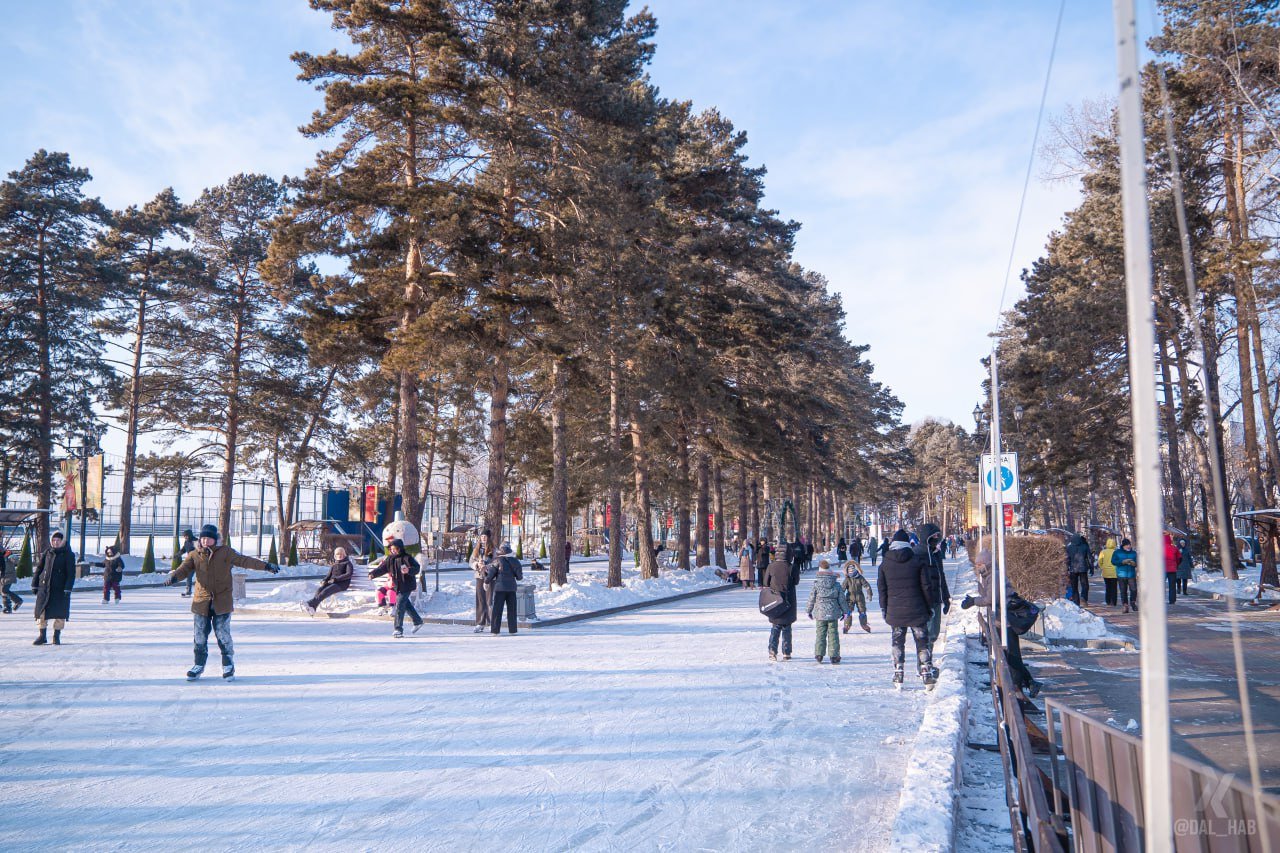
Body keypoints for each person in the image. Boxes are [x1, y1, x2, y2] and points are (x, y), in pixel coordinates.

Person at [165, 523, 280, 679]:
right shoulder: (194, 555)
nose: (205, 541)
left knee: (223, 635)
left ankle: (228, 665)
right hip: (201, 602)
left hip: (222, 601)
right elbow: (183, 569)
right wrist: (174, 577)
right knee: (199, 636)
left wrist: (265, 566)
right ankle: (198, 664)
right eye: (203, 538)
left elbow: (244, 560)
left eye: (208, 538)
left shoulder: (226, 552)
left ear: (215, 540)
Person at [961, 546, 1041, 699]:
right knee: (1010, 656)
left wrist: (973, 602)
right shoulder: (988, 576)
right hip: (1001, 619)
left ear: (986, 564)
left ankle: (1021, 687)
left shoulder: (994, 576)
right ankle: (1028, 683)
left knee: (1012, 656)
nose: (977, 567)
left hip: (1007, 620)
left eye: (979, 564)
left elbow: (991, 599)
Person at [877, 529, 936, 687]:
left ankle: (898, 672)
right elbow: (926, 586)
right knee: (922, 641)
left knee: (897, 641)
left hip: (895, 611)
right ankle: (926, 672)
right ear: (908, 544)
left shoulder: (884, 564)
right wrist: (929, 606)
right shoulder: (917, 561)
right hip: (917, 610)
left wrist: (884, 608)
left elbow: (882, 590)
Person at [370, 538, 423, 638]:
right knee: (405, 604)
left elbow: (416, 567)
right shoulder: (390, 558)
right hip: (397, 586)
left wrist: (408, 570)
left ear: (400, 548)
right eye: (391, 549)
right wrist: (373, 574)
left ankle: (398, 629)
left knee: (399, 605)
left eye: (395, 549)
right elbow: (382, 568)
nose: (393, 551)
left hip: (407, 585)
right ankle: (418, 621)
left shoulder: (407, 557)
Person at [33, 531, 75, 645]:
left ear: (63, 541)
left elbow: (71, 574)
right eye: (53, 540)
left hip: (60, 589)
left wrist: (68, 588)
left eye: (58, 540)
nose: (55, 542)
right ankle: (42, 636)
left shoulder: (68, 554)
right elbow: (39, 569)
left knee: (60, 613)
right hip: (44, 587)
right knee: (41, 611)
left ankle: (56, 636)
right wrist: (34, 583)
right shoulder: (47, 552)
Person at [917, 523, 951, 655]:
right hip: (924, 601)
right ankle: (925, 664)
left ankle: (926, 661)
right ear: (927, 537)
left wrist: (946, 597)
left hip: (937, 599)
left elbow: (941, 577)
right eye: (934, 536)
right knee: (926, 635)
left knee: (934, 633)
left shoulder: (936, 554)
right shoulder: (918, 554)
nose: (936, 538)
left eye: (938, 536)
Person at [807, 559, 849, 664]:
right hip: (833, 612)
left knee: (820, 633)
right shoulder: (836, 584)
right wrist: (845, 611)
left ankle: (819, 655)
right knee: (833, 633)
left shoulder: (816, 584)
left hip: (820, 613)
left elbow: (811, 598)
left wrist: (809, 610)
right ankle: (834, 656)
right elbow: (842, 600)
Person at [763, 544, 800, 661]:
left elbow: (765, 582)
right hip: (789, 600)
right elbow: (796, 582)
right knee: (787, 627)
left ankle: (772, 650)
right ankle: (787, 652)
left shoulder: (771, 566)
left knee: (775, 626)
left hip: (775, 600)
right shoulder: (792, 567)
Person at [485, 542, 524, 635]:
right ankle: (513, 630)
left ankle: (495, 630)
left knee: (497, 610)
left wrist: (486, 581)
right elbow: (519, 577)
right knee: (512, 610)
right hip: (511, 588)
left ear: (500, 549)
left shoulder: (497, 560)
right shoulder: (515, 561)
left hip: (499, 589)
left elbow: (491, 574)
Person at [305, 547, 354, 615]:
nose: (339, 555)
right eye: (337, 554)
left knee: (326, 591)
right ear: (335, 555)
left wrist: (336, 579)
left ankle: (310, 603)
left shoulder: (348, 563)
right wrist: (324, 580)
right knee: (320, 589)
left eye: (341, 554)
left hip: (342, 584)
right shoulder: (334, 564)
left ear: (344, 554)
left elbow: (349, 574)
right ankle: (314, 607)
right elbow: (328, 575)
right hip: (332, 582)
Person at [841, 561, 873, 634]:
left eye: (853, 573)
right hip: (849, 597)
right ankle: (847, 625)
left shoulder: (860, 577)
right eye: (850, 573)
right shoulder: (847, 579)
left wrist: (869, 594)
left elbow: (867, 586)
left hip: (860, 597)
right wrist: (840, 597)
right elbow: (842, 589)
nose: (852, 575)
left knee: (862, 611)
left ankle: (864, 624)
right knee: (848, 611)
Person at [472, 530, 494, 633]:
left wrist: (487, 566)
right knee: (480, 600)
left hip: (490, 578)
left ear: (489, 538)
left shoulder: (493, 549)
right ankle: (480, 623)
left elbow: (497, 563)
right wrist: (477, 564)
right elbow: (470, 561)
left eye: (485, 536)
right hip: (479, 577)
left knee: (489, 601)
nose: (483, 538)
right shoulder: (477, 549)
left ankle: (491, 623)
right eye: (482, 536)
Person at [1066, 532, 1093, 605]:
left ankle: (1076, 602)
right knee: (1085, 585)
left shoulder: (1069, 547)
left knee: (1074, 586)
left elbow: (1067, 559)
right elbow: (1089, 558)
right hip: (1083, 568)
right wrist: (1091, 568)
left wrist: (1066, 568)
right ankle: (1083, 597)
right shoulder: (1085, 546)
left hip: (1073, 569)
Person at [1113, 538, 1138, 613]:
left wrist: (1135, 564)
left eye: (1129, 544)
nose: (1128, 546)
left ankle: (1133, 602)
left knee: (1134, 590)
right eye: (1127, 545)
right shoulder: (1117, 552)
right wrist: (1122, 562)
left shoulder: (1134, 553)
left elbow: (1137, 562)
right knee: (1123, 591)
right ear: (1123, 545)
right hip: (1121, 574)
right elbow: (1113, 561)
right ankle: (1125, 605)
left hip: (1131, 574)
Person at [1098, 537, 1119, 606]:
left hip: (1106, 572)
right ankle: (1114, 602)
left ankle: (1108, 601)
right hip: (1114, 572)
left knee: (1108, 587)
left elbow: (1100, 561)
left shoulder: (1103, 552)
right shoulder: (1116, 552)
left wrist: (1102, 567)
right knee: (1114, 587)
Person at [177, 529, 197, 597]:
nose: (185, 537)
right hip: (191, 562)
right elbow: (184, 549)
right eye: (184, 536)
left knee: (201, 577)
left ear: (190, 535)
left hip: (198, 561)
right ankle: (188, 590)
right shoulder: (186, 542)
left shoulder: (195, 541)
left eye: (187, 536)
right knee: (189, 575)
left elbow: (200, 551)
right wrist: (178, 554)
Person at [2, 547, 21, 613]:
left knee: (4, 590)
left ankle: (18, 600)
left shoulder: (8, 556)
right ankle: (7, 607)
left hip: (9, 576)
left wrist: (12, 556)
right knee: (3, 592)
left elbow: (16, 561)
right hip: (2, 577)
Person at [1163, 532, 1180, 605]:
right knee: (1172, 585)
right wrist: (1176, 565)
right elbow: (1179, 558)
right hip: (1172, 570)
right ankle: (1172, 600)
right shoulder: (1174, 548)